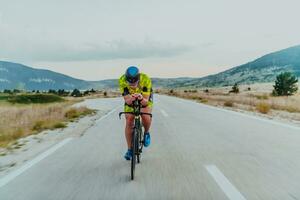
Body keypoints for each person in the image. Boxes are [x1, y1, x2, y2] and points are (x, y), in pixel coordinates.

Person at [119, 66, 153, 160]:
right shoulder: (122, 80)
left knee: (146, 116)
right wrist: (132, 98)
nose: (132, 85)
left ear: (138, 79)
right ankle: (130, 149)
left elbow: (145, 102)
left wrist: (141, 98)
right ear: (126, 79)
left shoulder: (145, 79)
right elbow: (127, 101)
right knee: (129, 120)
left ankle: (146, 132)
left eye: (134, 82)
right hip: (130, 98)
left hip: (144, 97)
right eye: (130, 83)